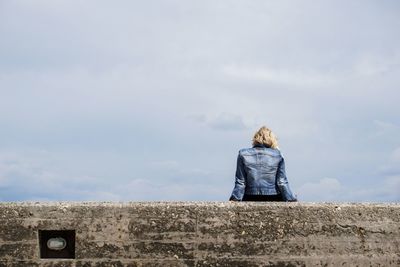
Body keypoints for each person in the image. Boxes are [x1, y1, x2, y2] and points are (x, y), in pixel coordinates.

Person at [229, 126, 297, 202]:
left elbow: (241, 181)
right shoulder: (278, 155)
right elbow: (281, 181)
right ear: (271, 139)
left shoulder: (243, 154)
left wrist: (235, 198)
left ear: (256, 138)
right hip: (273, 196)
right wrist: (290, 198)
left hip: (250, 196)